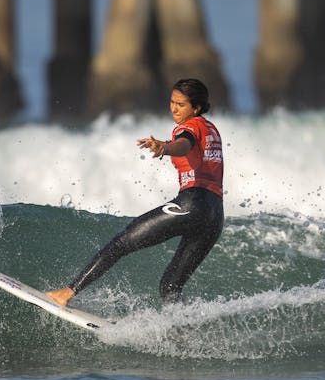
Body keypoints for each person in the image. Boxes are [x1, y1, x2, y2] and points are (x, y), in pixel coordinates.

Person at [46, 78, 224, 307]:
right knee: (171, 285)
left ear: (196, 108)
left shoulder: (188, 127)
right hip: (214, 217)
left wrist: (166, 148)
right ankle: (181, 334)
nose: (174, 109)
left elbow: (184, 143)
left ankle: (67, 292)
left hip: (192, 204)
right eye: (172, 102)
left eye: (181, 104)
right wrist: (168, 146)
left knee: (121, 243)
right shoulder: (212, 130)